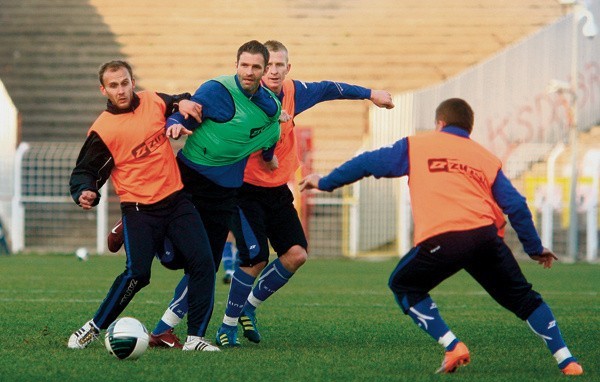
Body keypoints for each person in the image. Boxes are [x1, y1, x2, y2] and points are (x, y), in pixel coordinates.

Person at [299, 98, 583, 375]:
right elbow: (516, 205)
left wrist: (325, 182)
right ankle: (567, 361)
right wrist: (533, 248)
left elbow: (367, 162)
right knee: (524, 299)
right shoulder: (485, 157)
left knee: (403, 284)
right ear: (468, 129)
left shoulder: (419, 144)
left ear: (440, 123)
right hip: (485, 237)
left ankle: (452, 345)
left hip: (444, 237)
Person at [215, 40, 395, 347]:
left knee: (297, 255)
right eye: (267, 65)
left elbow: (329, 88)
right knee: (255, 258)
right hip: (243, 190)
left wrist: (371, 94)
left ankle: (249, 308)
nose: (273, 71)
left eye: (279, 65)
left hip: (276, 191)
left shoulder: (295, 93)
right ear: (258, 68)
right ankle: (227, 326)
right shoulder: (241, 97)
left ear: (288, 68)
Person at [67, 60, 220, 352]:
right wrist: (84, 191)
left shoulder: (153, 101)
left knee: (203, 263)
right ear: (104, 90)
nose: (121, 90)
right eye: (113, 86)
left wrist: (184, 104)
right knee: (138, 274)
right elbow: (85, 171)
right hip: (139, 211)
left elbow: (177, 102)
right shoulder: (104, 129)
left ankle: (195, 338)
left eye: (124, 83)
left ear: (132, 81)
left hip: (176, 201)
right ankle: (94, 327)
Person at [147, 40, 283, 348]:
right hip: (190, 178)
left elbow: (269, 136)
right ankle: (141, 228)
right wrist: (174, 125)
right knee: (176, 258)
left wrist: (269, 156)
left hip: (224, 192)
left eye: (256, 67)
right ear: (236, 64)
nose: (249, 72)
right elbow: (187, 112)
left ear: (263, 71)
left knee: (205, 264)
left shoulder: (269, 107)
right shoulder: (216, 90)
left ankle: (164, 331)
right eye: (244, 65)